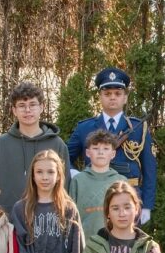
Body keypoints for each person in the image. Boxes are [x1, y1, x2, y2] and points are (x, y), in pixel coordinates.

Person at [66, 68, 157, 224]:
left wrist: (147, 205)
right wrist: (74, 173)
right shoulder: (84, 128)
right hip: (93, 197)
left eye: (117, 93)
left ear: (125, 97)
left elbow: (150, 168)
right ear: (100, 97)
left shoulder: (138, 128)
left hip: (129, 197)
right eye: (107, 94)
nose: (112, 97)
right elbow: (63, 156)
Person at [0, 81, 70, 213]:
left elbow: (65, 186)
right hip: (6, 218)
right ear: (14, 110)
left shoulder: (57, 144)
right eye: (22, 105)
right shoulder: (0, 145)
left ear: (42, 107)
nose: (27, 110)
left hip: (48, 218)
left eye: (32, 104)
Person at [69, 129, 125, 239]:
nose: (100, 152)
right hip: (84, 242)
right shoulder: (78, 181)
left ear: (113, 154)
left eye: (106, 148)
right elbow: (70, 216)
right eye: (95, 148)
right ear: (87, 153)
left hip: (114, 242)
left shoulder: (121, 181)